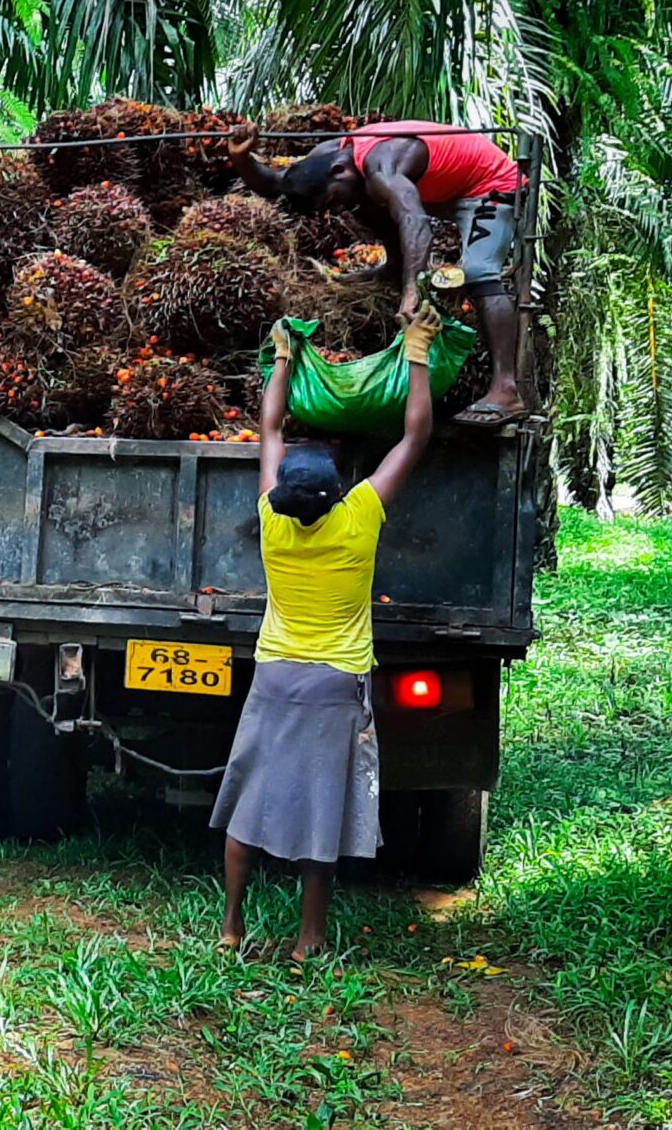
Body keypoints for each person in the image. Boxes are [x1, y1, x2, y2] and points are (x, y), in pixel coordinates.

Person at [211, 304, 442, 960]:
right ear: (339, 492)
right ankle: (310, 939)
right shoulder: (359, 517)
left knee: (248, 801)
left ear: (283, 495)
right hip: (335, 685)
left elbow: (269, 427)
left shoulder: (273, 525)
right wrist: (417, 351)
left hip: (276, 677)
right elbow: (415, 436)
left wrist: (283, 357)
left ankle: (231, 927)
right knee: (320, 812)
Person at [228, 121, 529, 427]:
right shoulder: (328, 156)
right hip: (441, 188)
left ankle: (506, 389)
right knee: (363, 198)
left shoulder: (382, 163)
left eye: (332, 200)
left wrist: (412, 289)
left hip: (488, 186)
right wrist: (241, 158)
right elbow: (277, 181)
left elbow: (415, 221)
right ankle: (394, 267)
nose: (335, 210)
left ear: (338, 172)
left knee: (478, 273)